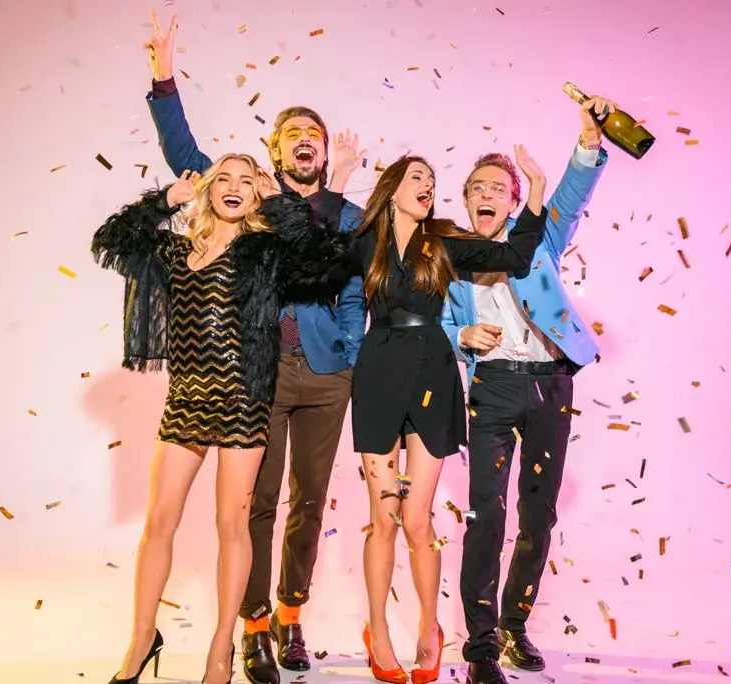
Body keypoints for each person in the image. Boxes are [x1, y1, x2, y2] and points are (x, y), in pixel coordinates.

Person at [141, 14, 367, 684]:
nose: (304, 141)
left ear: (324, 151)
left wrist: (351, 354)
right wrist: (163, 80)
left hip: (326, 371)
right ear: (274, 151)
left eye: (313, 135)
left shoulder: (348, 212)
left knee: (310, 500)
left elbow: (351, 284)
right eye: (292, 133)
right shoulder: (252, 197)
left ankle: (292, 614)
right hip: (258, 372)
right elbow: (185, 153)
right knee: (255, 504)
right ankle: (255, 626)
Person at [91, 154, 350, 684]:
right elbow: (111, 241)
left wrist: (284, 205)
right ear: (209, 190)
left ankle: (221, 648)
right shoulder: (174, 251)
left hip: (243, 402)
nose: (233, 187)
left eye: (246, 181)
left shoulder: (267, 254)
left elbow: (325, 262)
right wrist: (165, 201)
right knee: (159, 521)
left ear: (256, 195)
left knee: (232, 525)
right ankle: (142, 638)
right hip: (186, 399)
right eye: (223, 179)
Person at [326, 149, 547, 684]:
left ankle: (429, 629)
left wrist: (536, 195)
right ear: (392, 190)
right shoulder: (365, 242)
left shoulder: (443, 240)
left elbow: (516, 258)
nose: (427, 183)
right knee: (383, 517)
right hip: (378, 377)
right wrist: (338, 180)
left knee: (416, 518)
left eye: (431, 177)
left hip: (432, 377)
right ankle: (378, 631)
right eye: (416, 176)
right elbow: (316, 259)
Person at [440, 96, 614, 684]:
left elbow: (570, 196)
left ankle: (514, 625)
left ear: (514, 202)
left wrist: (587, 142)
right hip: (490, 387)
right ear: (466, 201)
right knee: (484, 514)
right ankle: (481, 647)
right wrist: (462, 334)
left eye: (498, 187)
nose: (487, 194)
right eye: (477, 188)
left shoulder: (539, 239)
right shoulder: (452, 256)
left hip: (548, 384)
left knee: (538, 513)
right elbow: (439, 323)